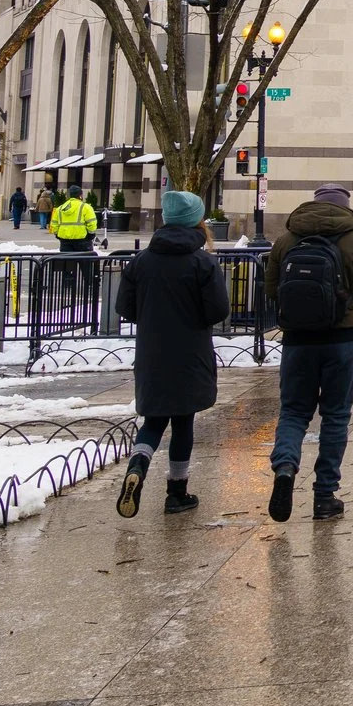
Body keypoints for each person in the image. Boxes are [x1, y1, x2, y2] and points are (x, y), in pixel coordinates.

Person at [261, 183, 353, 522]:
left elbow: (272, 290)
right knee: (335, 415)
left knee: (293, 411)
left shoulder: (286, 240)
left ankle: (285, 466)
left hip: (298, 341)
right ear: (346, 208)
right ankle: (324, 495)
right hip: (340, 340)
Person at [113, 190, 230, 517]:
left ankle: (138, 464)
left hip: (152, 352)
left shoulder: (141, 262)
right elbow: (217, 310)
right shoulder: (203, 262)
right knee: (182, 422)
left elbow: (125, 307)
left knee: (153, 420)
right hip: (190, 352)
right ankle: (176, 492)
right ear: (196, 220)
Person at [50, 184, 99, 301]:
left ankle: (67, 284)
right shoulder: (85, 207)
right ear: (80, 195)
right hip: (83, 240)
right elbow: (92, 223)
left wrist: (58, 234)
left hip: (65, 240)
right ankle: (90, 283)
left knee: (67, 263)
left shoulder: (61, 208)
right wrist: (91, 234)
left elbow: (54, 224)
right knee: (86, 263)